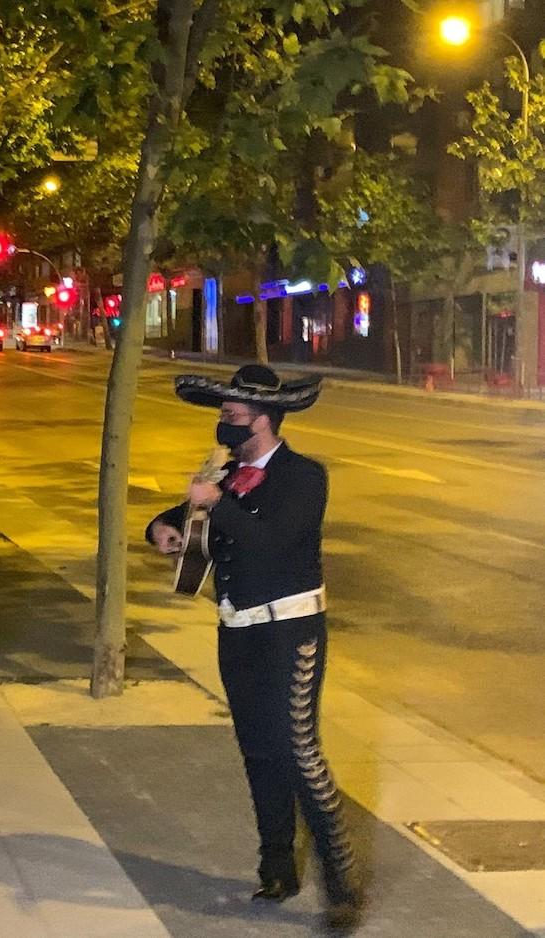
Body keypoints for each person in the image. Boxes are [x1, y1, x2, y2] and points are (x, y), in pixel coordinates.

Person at [146, 364, 361, 931]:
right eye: (223, 416)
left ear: (263, 421)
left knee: (297, 751)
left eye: (233, 417)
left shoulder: (303, 477)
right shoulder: (230, 474)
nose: (224, 425)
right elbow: (181, 517)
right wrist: (162, 529)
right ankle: (276, 867)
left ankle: (340, 881)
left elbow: (271, 541)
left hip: (290, 633)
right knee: (258, 752)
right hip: (236, 629)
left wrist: (218, 503)